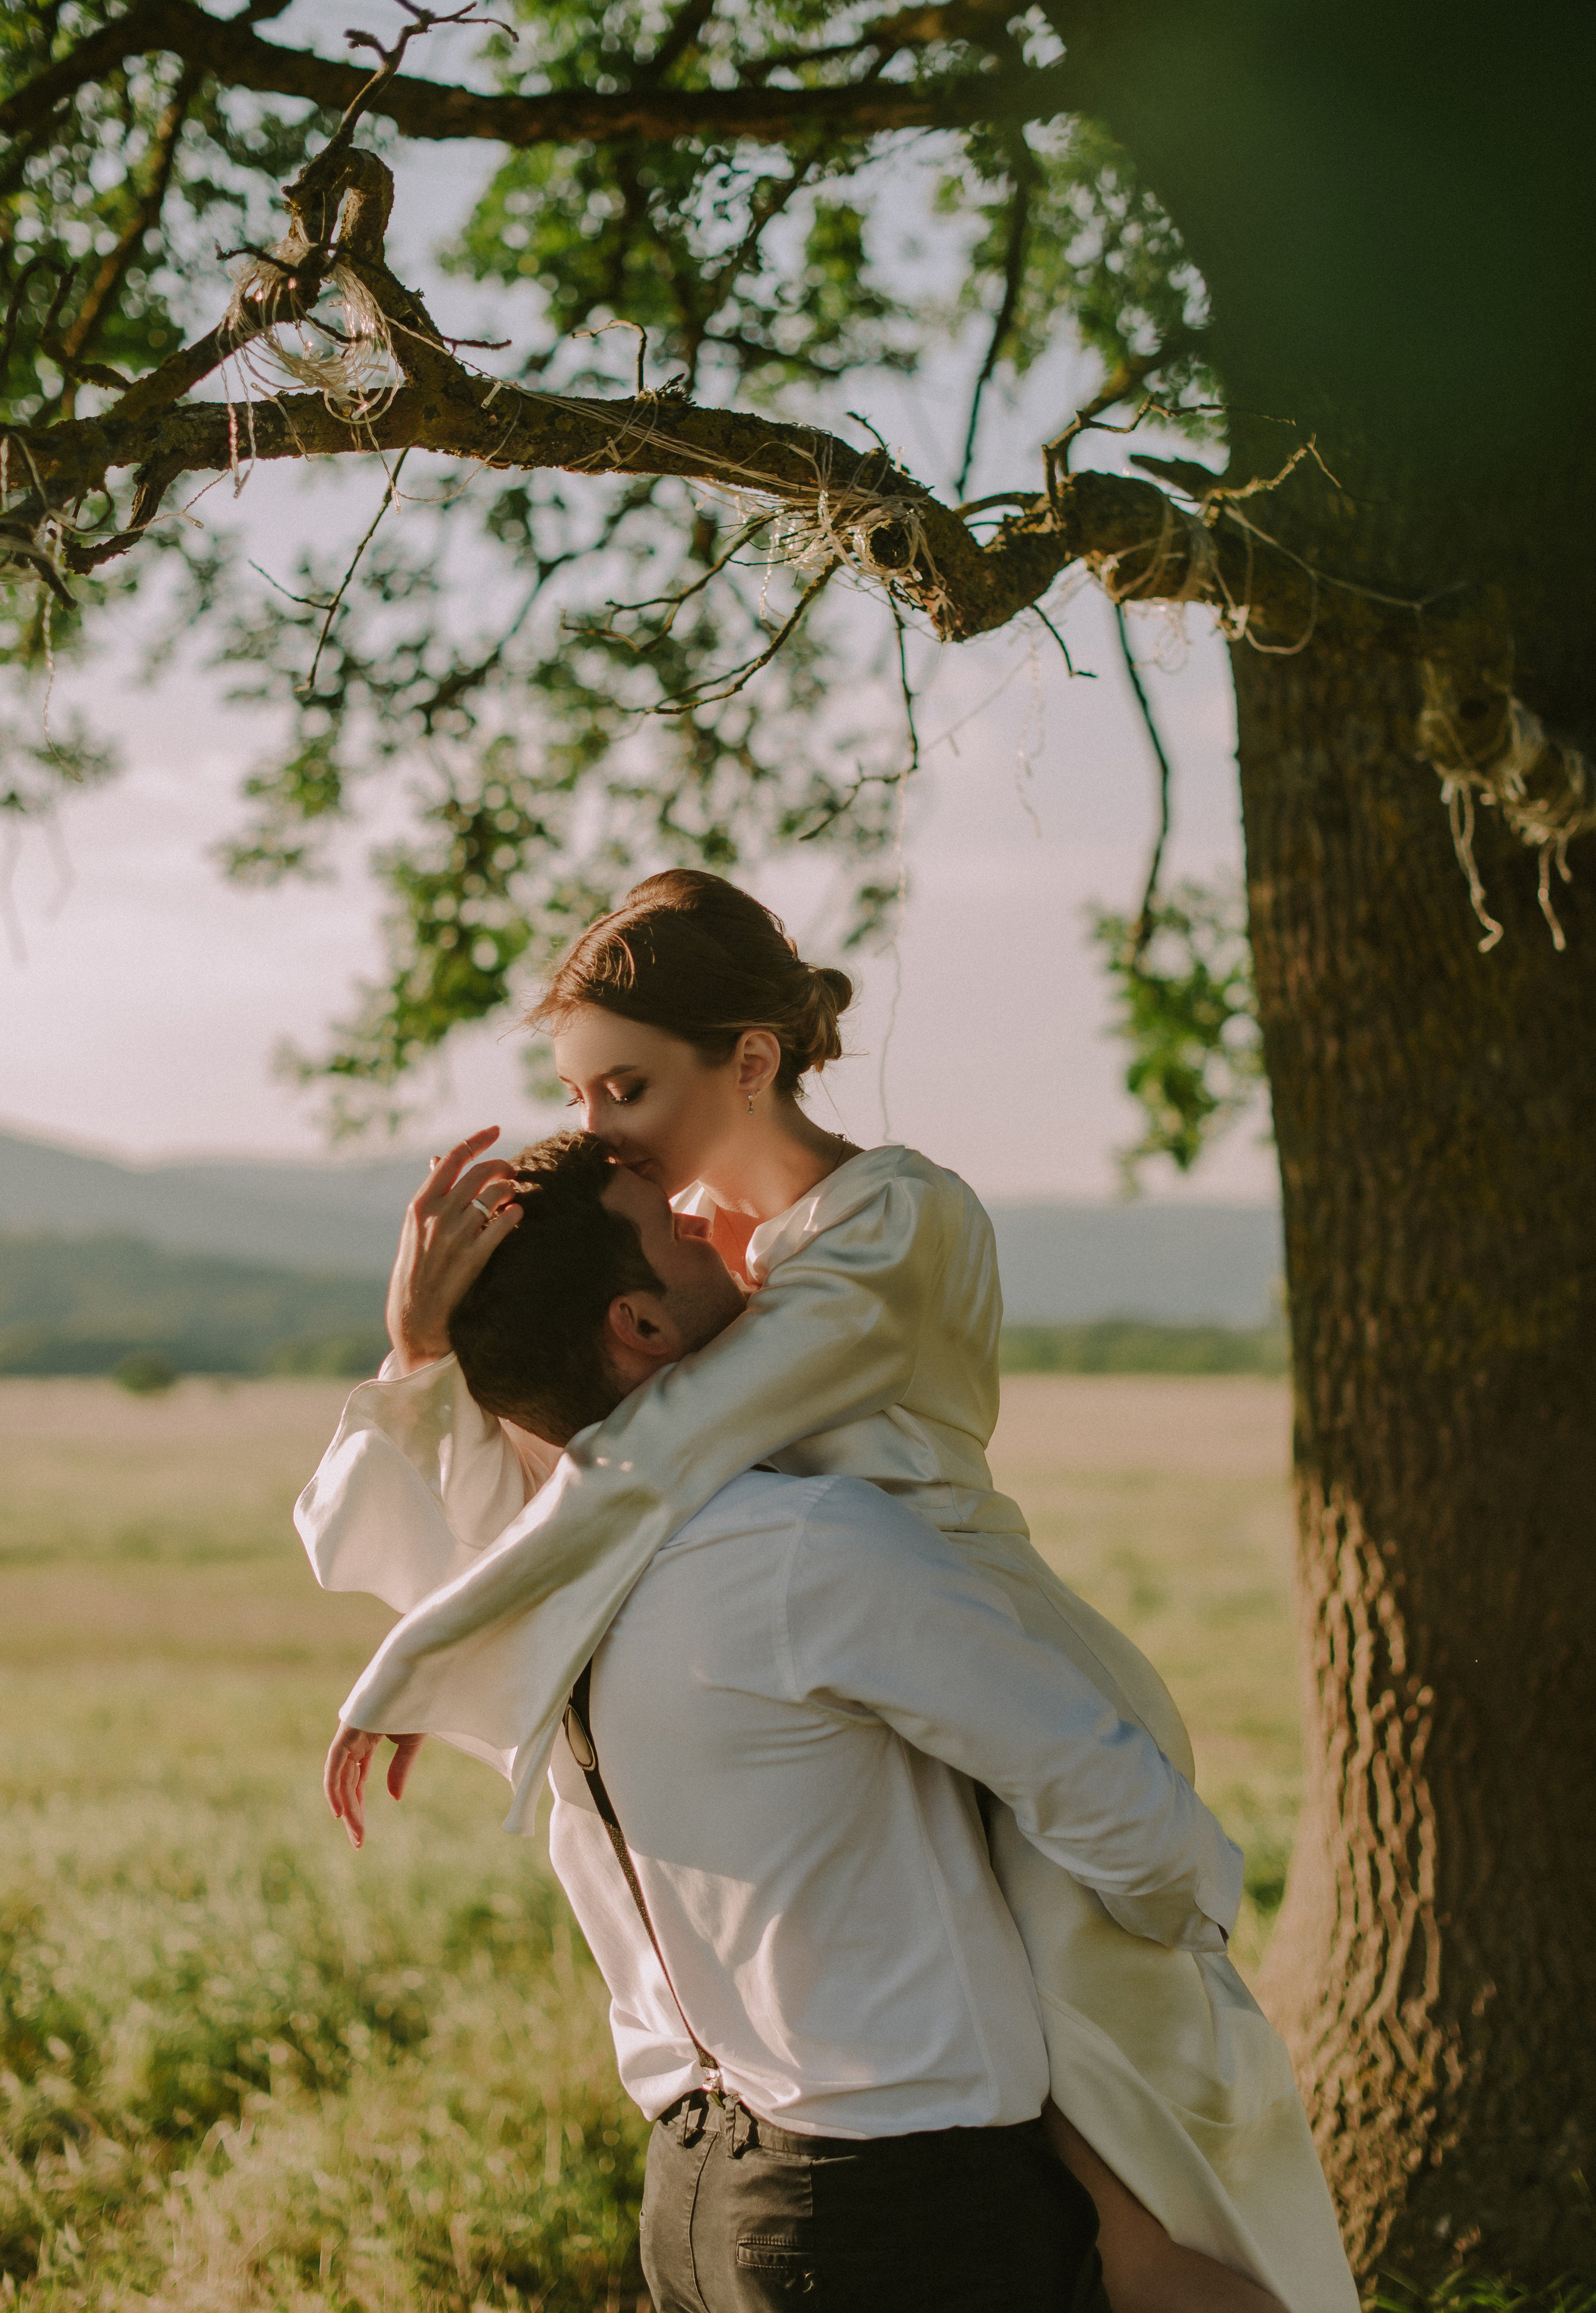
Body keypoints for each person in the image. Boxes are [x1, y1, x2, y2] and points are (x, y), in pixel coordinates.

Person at [299, 870, 1357, 2313]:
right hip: (850, 1693)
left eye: (623, 1086)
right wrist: (418, 1356)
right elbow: (570, 1471)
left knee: (1119, 2052)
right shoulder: (690, 1277)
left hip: (965, 1639)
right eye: (578, 1091)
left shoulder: (885, 1225)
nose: (594, 1125)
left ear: (747, 1059)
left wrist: (446, 1644)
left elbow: (641, 1453)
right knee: (991, 2030)